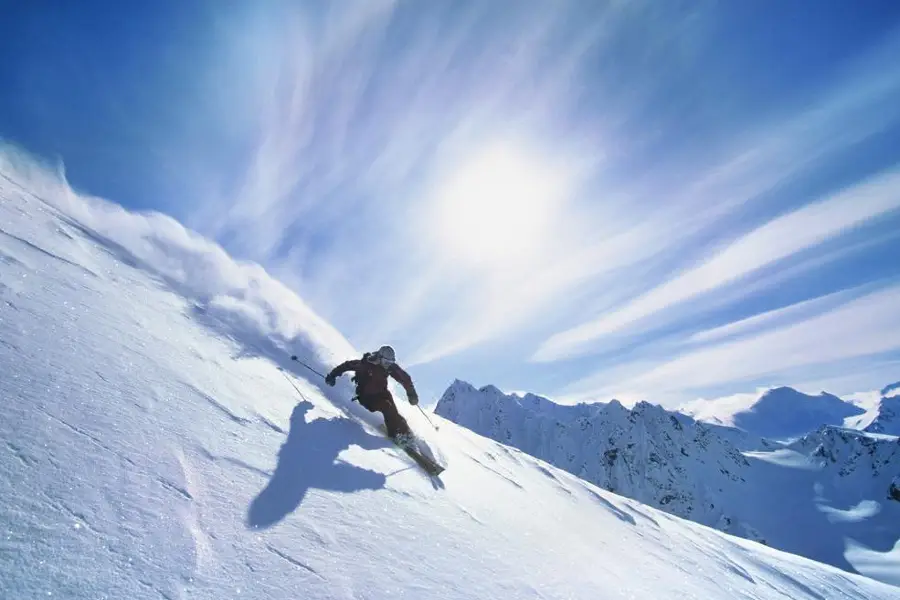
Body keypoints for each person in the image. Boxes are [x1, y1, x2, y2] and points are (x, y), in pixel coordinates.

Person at [325, 345, 419, 442]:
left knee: (394, 413)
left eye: (391, 362)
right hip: (366, 397)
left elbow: (404, 378)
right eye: (386, 362)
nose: (388, 364)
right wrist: (332, 376)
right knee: (387, 407)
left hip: (383, 393)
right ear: (380, 358)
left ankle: (407, 434)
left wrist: (412, 394)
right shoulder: (365, 365)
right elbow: (346, 365)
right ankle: (395, 435)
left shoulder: (389, 367)